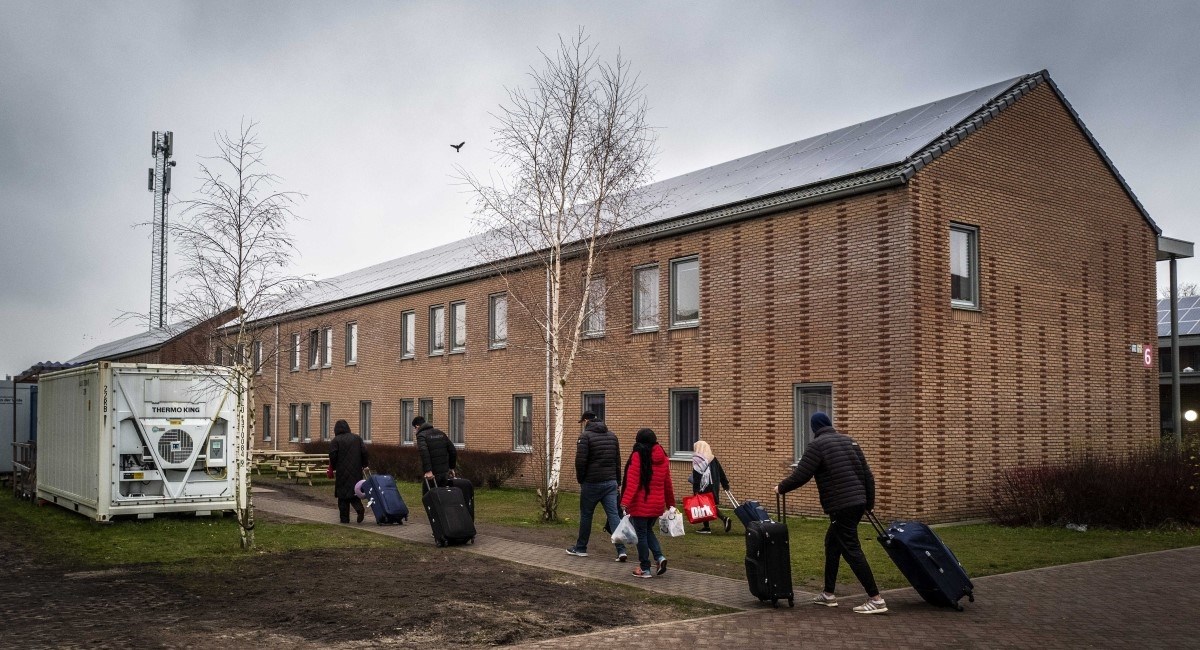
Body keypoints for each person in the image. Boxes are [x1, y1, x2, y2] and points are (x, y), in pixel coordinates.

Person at [775, 412, 887, 614]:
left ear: (814, 428)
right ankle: (828, 594)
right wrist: (869, 503)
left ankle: (876, 599)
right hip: (857, 502)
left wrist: (781, 487)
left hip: (841, 505)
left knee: (851, 549)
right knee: (832, 545)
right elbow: (867, 475)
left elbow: (802, 474)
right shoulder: (849, 441)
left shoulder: (817, 445)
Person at [566, 411, 628, 561]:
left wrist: (581, 480)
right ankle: (621, 550)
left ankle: (581, 548)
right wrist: (618, 482)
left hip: (591, 483)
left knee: (587, 515)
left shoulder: (585, 437)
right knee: (614, 515)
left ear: (586, 420)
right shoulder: (612, 436)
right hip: (610, 483)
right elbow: (617, 462)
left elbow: (580, 462)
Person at [620, 428, 675, 579]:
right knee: (647, 531)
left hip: (640, 504)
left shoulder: (638, 455)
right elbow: (667, 483)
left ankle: (645, 568)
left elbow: (632, 481)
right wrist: (670, 503)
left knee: (641, 536)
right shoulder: (663, 457)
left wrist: (624, 502)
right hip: (657, 505)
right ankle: (659, 557)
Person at [328, 419, 368, 524]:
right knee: (354, 492)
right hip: (356, 471)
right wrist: (364, 464)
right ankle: (359, 509)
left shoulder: (335, 441)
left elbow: (332, 455)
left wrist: (334, 466)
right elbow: (364, 452)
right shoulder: (357, 438)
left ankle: (344, 519)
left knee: (342, 496)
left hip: (341, 472)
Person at [690, 440, 733, 533]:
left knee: (706, 505)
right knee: (707, 505)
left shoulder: (698, 460)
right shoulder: (713, 458)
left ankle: (724, 518)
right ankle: (707, 527)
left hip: (704, 486)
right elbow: (721, 472)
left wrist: (695, 490)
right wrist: (725, 484)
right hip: (714, 485)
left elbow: (696, 476)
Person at [414, 416, 457, 495]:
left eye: (415, 429)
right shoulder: (440, 433)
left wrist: (428, 471)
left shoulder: (421, 436)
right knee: (443, 498)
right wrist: (451, 467)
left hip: (432, 474)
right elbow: (453, 451)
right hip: (444, 473)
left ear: (417, 426)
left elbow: (424, 452)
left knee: (429, 499)